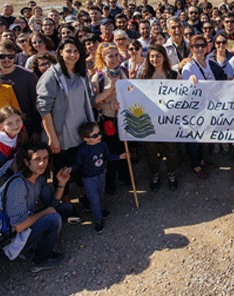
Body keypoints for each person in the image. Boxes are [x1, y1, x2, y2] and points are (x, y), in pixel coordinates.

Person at [36, 37, 96, 207]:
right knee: (61, 171)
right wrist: (52, 137)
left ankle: (84, 197)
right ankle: (66, 204)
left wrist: (110, 92)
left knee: (79, 168)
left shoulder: (81, 73)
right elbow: (44, 109)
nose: (72, 54)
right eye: (68, 51)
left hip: (80, 132)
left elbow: (90, 100)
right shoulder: (51, 77)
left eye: (76, 51)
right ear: (60, 52)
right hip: (61, 135)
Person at [5, 143, 73, 272]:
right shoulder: (18, 185)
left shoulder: (39, 179)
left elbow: (52, 204)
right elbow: (18, 226)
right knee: (53, 218)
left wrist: (61, 183)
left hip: (27, 224)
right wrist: (46, 213)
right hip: (14, 237)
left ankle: (38, 244)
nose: (42, 163)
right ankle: (39, 261)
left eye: (45, 158)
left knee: (65, 209)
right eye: (37, 159)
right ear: (26, 162)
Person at [69, 122, 126, 233]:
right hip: (89, 179)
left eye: (99, 133)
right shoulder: (82, 150)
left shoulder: (103, 145)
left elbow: (107, 157)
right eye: (95, 135)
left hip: (101, 174)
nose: (99, 136)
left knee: (100, 195)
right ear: (86, 139)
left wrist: (120, 156)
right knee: (93, 199)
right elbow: (77, 163)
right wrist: (69, 169)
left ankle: (99, 210)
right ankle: (98, 219)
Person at [138, 45, 180, 191]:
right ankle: (155, 174)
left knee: (171, 148)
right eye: (152, 56)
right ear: (148, 59)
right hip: (149, 120)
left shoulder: (174, 75)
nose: (155, 59)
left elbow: (185, 94)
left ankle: (171, 173)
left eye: (158, 56)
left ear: (164, 57)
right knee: (151, 149)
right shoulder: (143, 75)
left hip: (169, 119)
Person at [91, 42, 132, 194]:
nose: (114, 59)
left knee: (123, 146)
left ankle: (124, 176)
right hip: (108, 119)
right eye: (110, 56)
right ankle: (110, 180)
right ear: (103, 58)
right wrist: (109, 96)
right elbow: (94, 102)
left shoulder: (124, 71)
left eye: (116, 55)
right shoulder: (99, 77)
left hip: (123, 117)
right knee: (111, 149)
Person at [182, 35, 217, 179]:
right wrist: (190, 80)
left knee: (202, 136)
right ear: (191, 48)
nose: (200, 48)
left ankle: (201, 160)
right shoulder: (189, 66)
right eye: (196, 46)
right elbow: (185, 88)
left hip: (206, 107)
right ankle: (195, 166)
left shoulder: (207, 62)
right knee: (194, 139)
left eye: (203, 45)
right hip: (194, 109)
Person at [0, 40, 41, 140]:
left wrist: (37, 130)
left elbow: (38, 105)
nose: (6, 59)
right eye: (2, 56)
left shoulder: (28, 75)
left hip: (26, 131)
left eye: (10, 56)